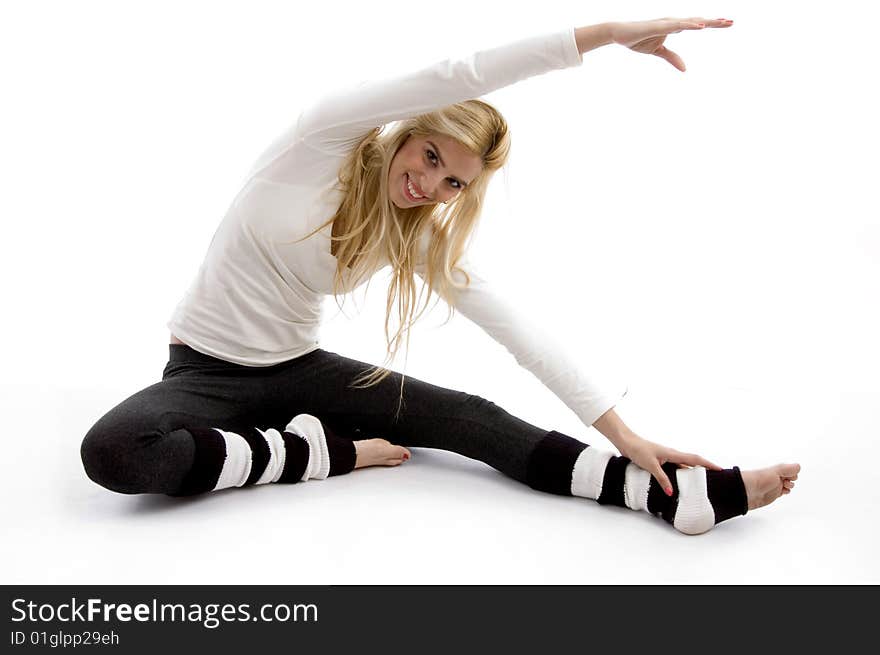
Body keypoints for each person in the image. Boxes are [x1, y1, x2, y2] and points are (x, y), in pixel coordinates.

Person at [80, 16, 799, 535]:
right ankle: (315, 452)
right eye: (430, 156)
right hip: (199, 372)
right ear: (408, 131)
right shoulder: (319, 140)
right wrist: (604, 35)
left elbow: (517, 329)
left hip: (297, 372)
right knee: (114, 450)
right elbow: (463, 73)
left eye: (454, 183)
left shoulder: (412, 237)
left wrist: (624, 431)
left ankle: (668, 497)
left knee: (469, 417)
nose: (430, 185)